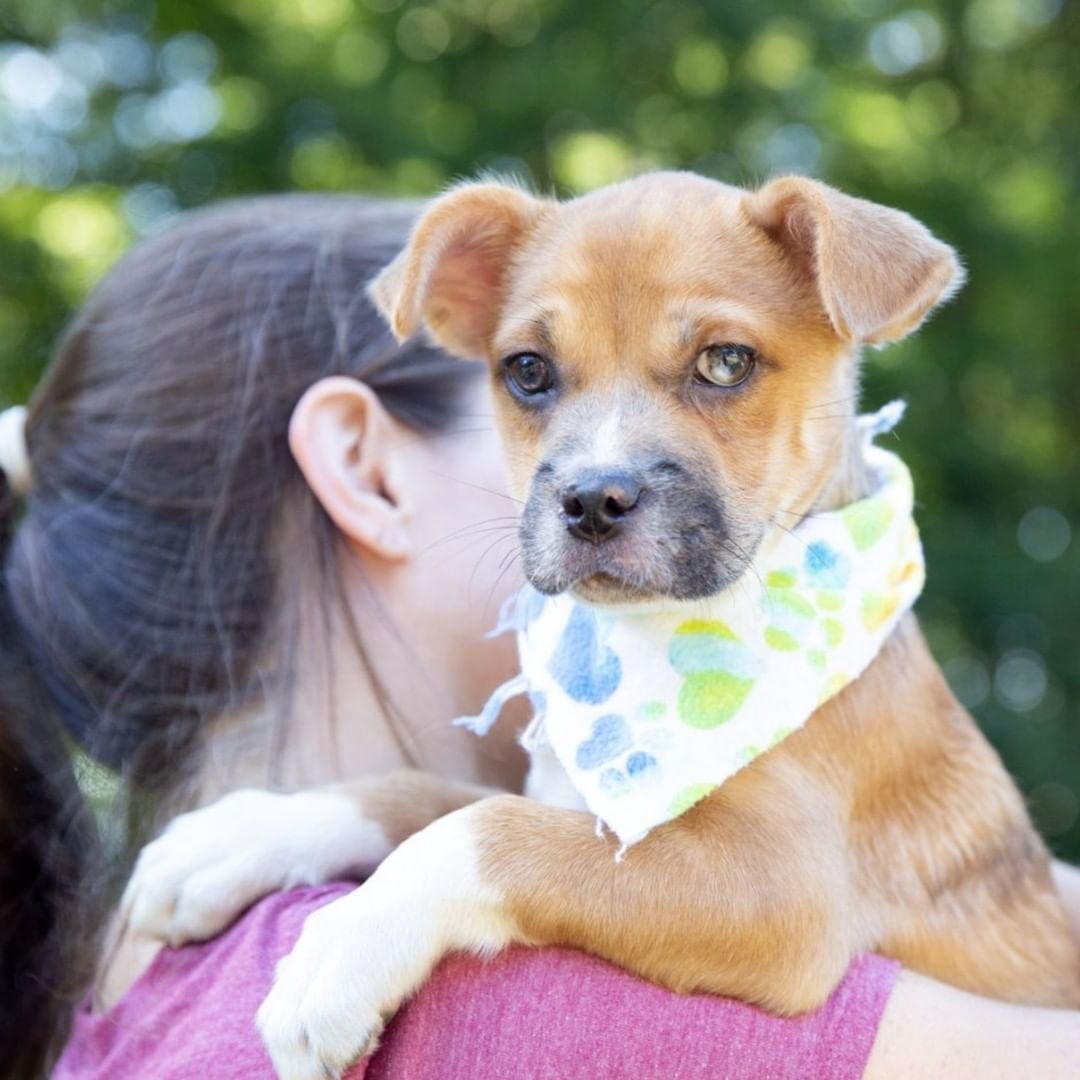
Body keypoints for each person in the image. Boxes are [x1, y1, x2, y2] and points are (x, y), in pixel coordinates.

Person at [1, 195, 1077, 1080]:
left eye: (719, 366)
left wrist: (390, 832)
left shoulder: (809, 666)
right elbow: (658, 879)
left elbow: (760, 911)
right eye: (534, 378)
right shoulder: (506, 1020)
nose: (600, 467)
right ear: (364, 470)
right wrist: (436, 853)